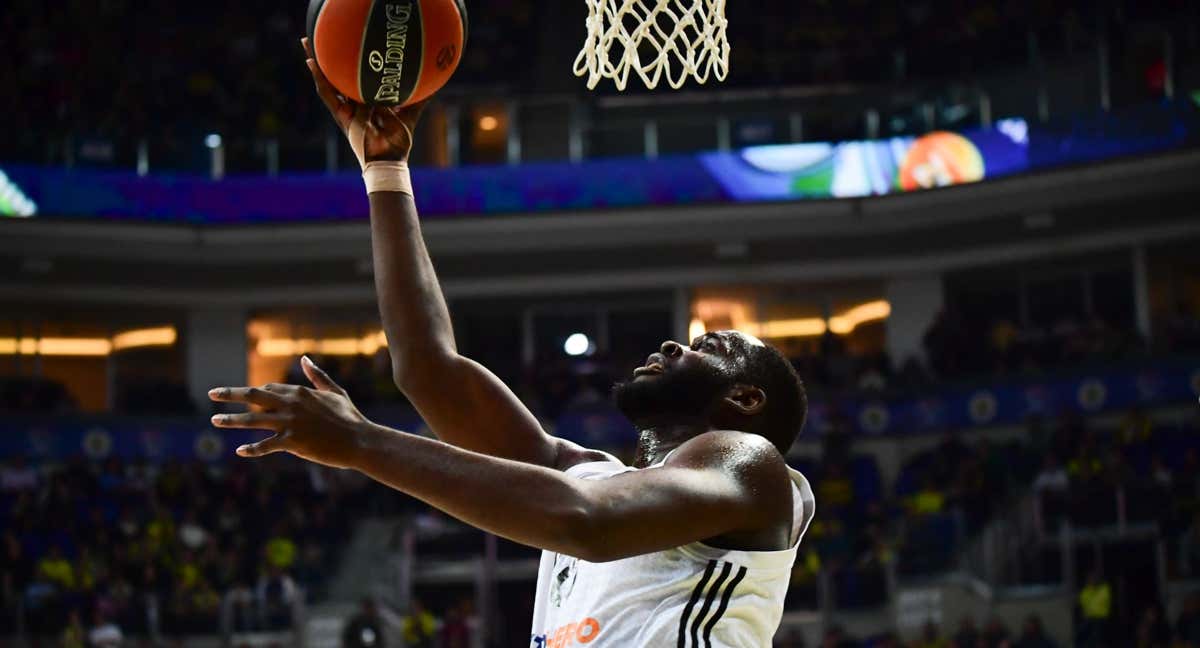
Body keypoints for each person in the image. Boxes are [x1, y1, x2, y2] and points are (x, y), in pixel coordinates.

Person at [208, 37, 815, 648]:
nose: (675, 344)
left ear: (745, 399)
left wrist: (360, 441)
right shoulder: (582, 476)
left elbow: (588, 524)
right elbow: (426, 369)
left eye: (710, 345)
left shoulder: (752, 467)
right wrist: (384, 169)